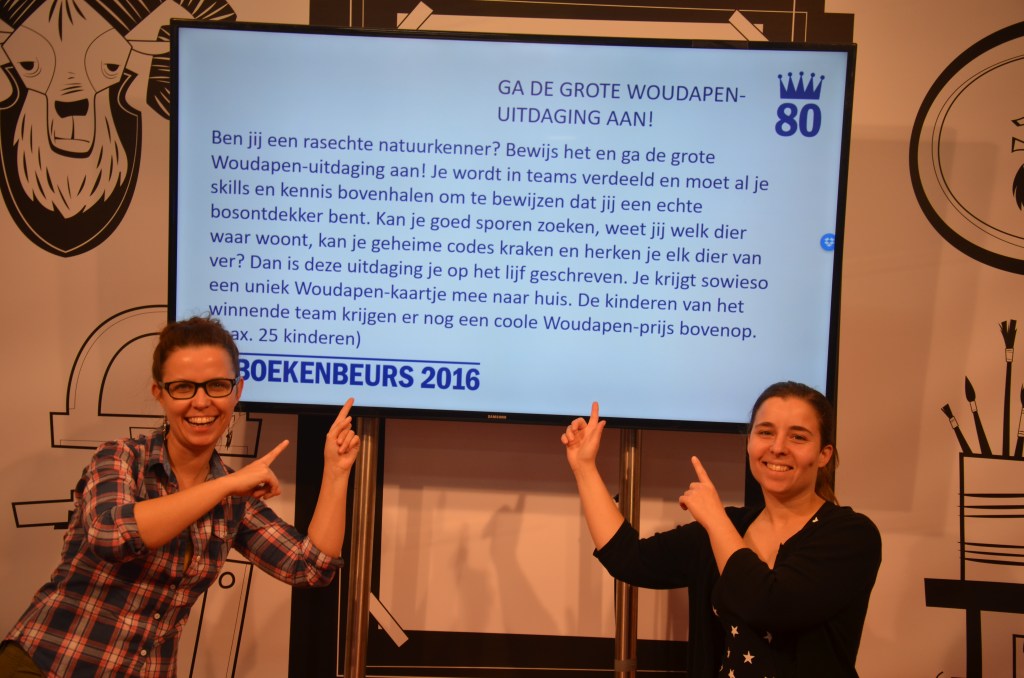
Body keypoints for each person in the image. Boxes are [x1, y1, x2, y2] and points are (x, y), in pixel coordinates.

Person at [0, 316, 360, 677]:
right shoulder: (122, 458)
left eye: (217, 385)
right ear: (159, 393)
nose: (201, 402)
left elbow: (310, 568)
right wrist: (223, 486)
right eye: (183, 387)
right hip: (49, 665)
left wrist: (336, 471)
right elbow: (111, 536)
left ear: (237, 391)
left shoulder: (233, 494)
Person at [562, 381, 881, 678]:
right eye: (766, 432)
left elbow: (768, 604)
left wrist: (715, 520)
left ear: (824, 454)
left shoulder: (851, 535)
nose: (778, 447)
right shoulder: (729, 525)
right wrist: (584, 468)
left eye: (798, 437)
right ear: (749, 442)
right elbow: (629, 559)